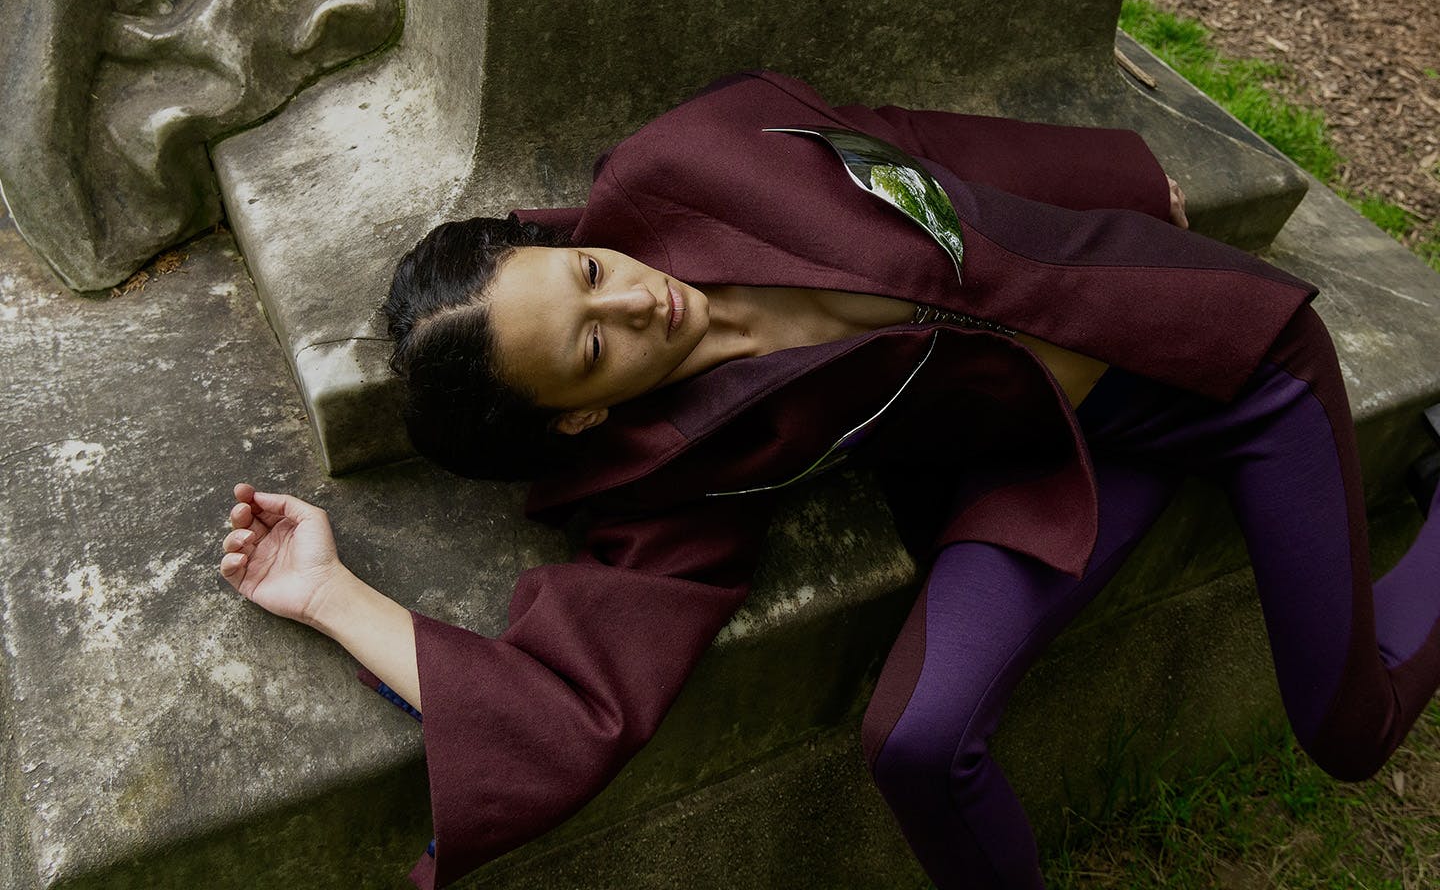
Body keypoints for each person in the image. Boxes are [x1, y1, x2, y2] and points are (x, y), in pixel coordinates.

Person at [218, 70, 1440, 890]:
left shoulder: (700, 151)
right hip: (1060, 465)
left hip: (1233, 374)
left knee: (1344, 735)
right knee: (916, 739)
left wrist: (1118, 178)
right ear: (582, 409)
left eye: (588, 270)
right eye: (596, 344)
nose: (637, 298)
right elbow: (568, 702)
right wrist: (326, 592)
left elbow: (918, 139)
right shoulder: (672, 472)